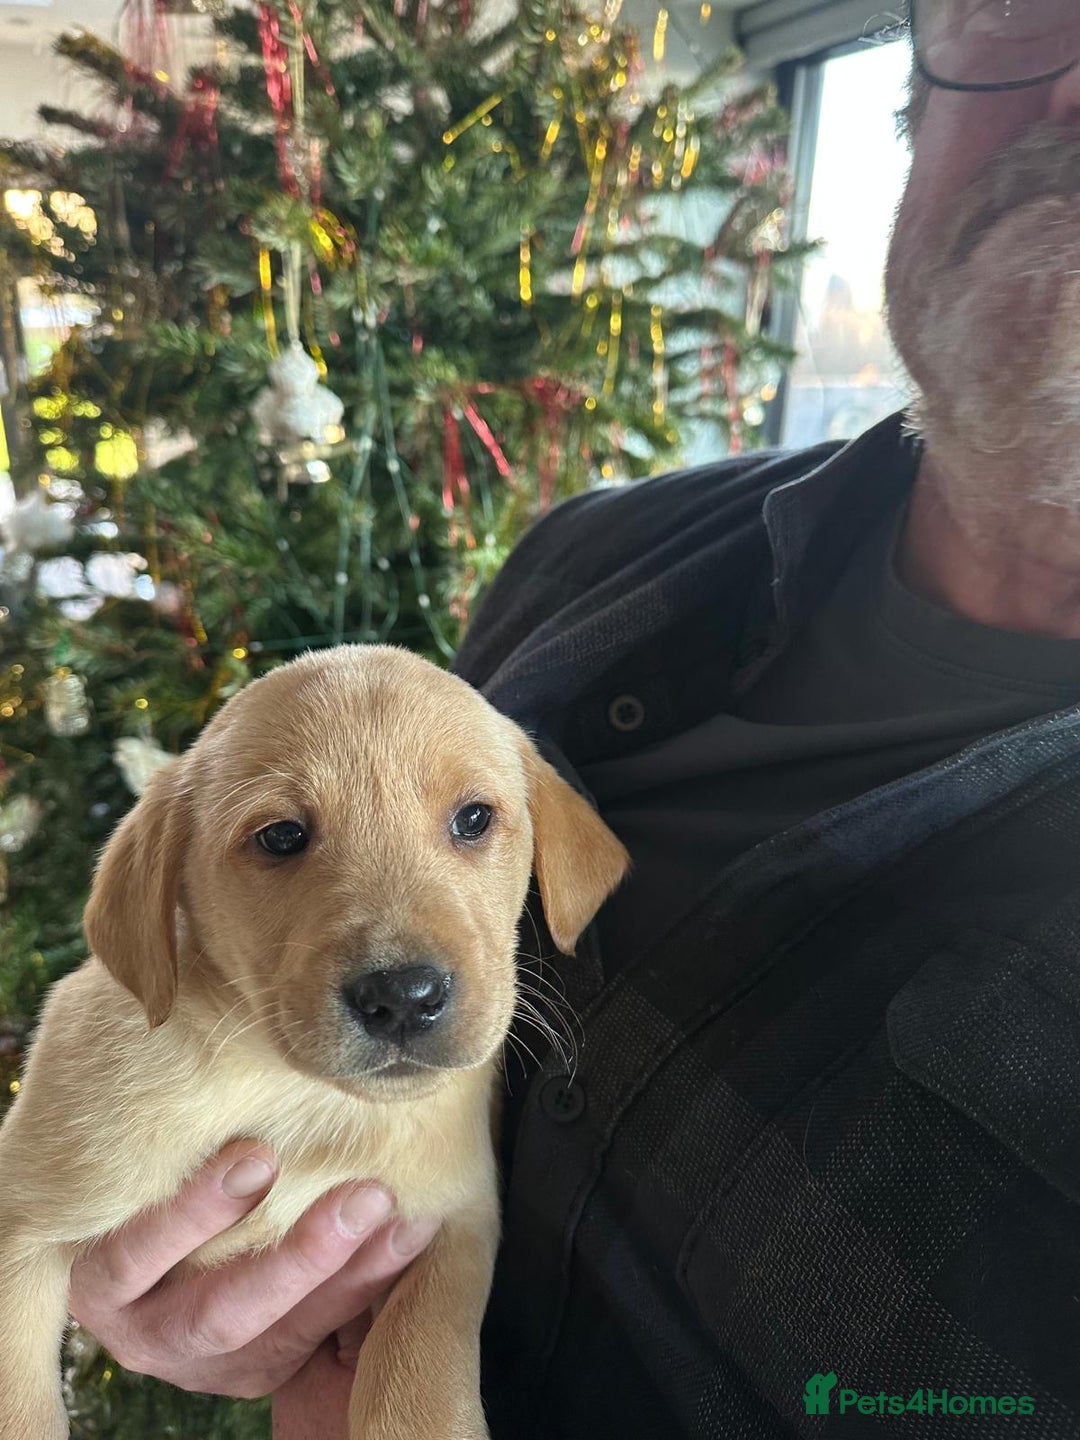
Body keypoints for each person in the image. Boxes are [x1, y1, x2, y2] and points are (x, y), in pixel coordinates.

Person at [66, 4, 1080, 1435]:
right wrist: (205, 1288)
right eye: (1018, 12)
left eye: (476, 820)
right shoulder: (593, 552)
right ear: (911, 111)